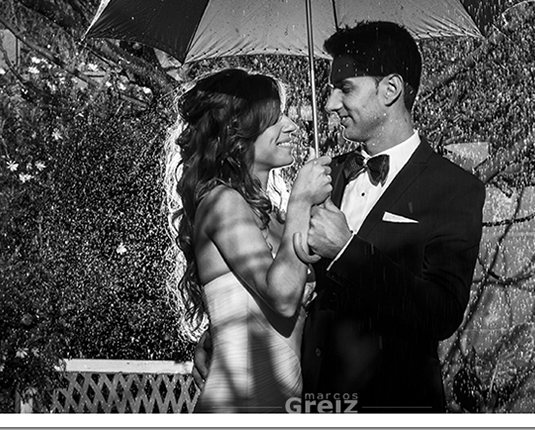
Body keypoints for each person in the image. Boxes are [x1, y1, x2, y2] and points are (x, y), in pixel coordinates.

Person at [194, 22, 485, 413]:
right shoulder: (323, 178)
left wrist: (348, 252)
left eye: (344, 88)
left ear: (390, 89)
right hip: (309, 407)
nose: (330, 103)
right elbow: (288, 283)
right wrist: (227, 331)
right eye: (331, 89)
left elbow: (441, 314)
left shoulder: (454, 189)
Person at [169, 68, 331, 413]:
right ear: (238, 131)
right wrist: (301, 200)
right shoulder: (222, 202)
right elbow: (282, 299)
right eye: (276, 119)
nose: (292, 126)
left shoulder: (275, 218)